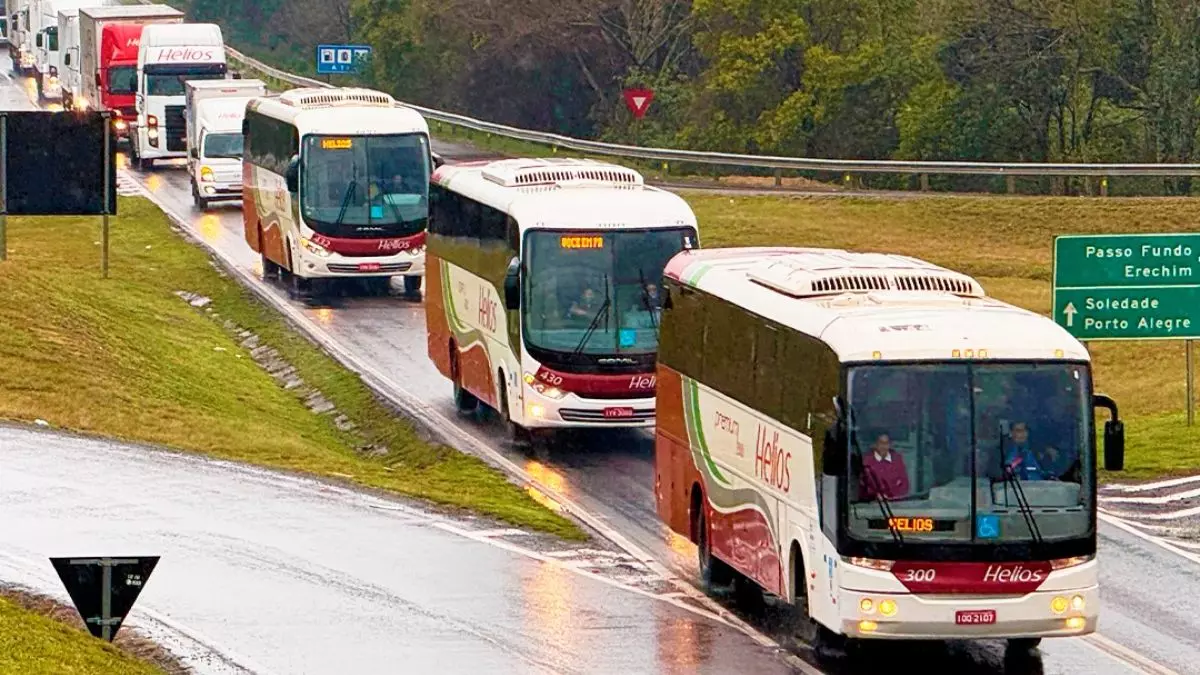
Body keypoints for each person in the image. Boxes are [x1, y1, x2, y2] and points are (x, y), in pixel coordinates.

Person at [859, 433, 910, 500]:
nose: (884, 447)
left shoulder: (897, 460)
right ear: (875, 445)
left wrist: (892, 497)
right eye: (881, 443)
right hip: (874, 505)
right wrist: (875, 496)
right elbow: (863, 486)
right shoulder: (867, 462)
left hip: (896, 503)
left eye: (886, 443)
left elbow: (904, 484)